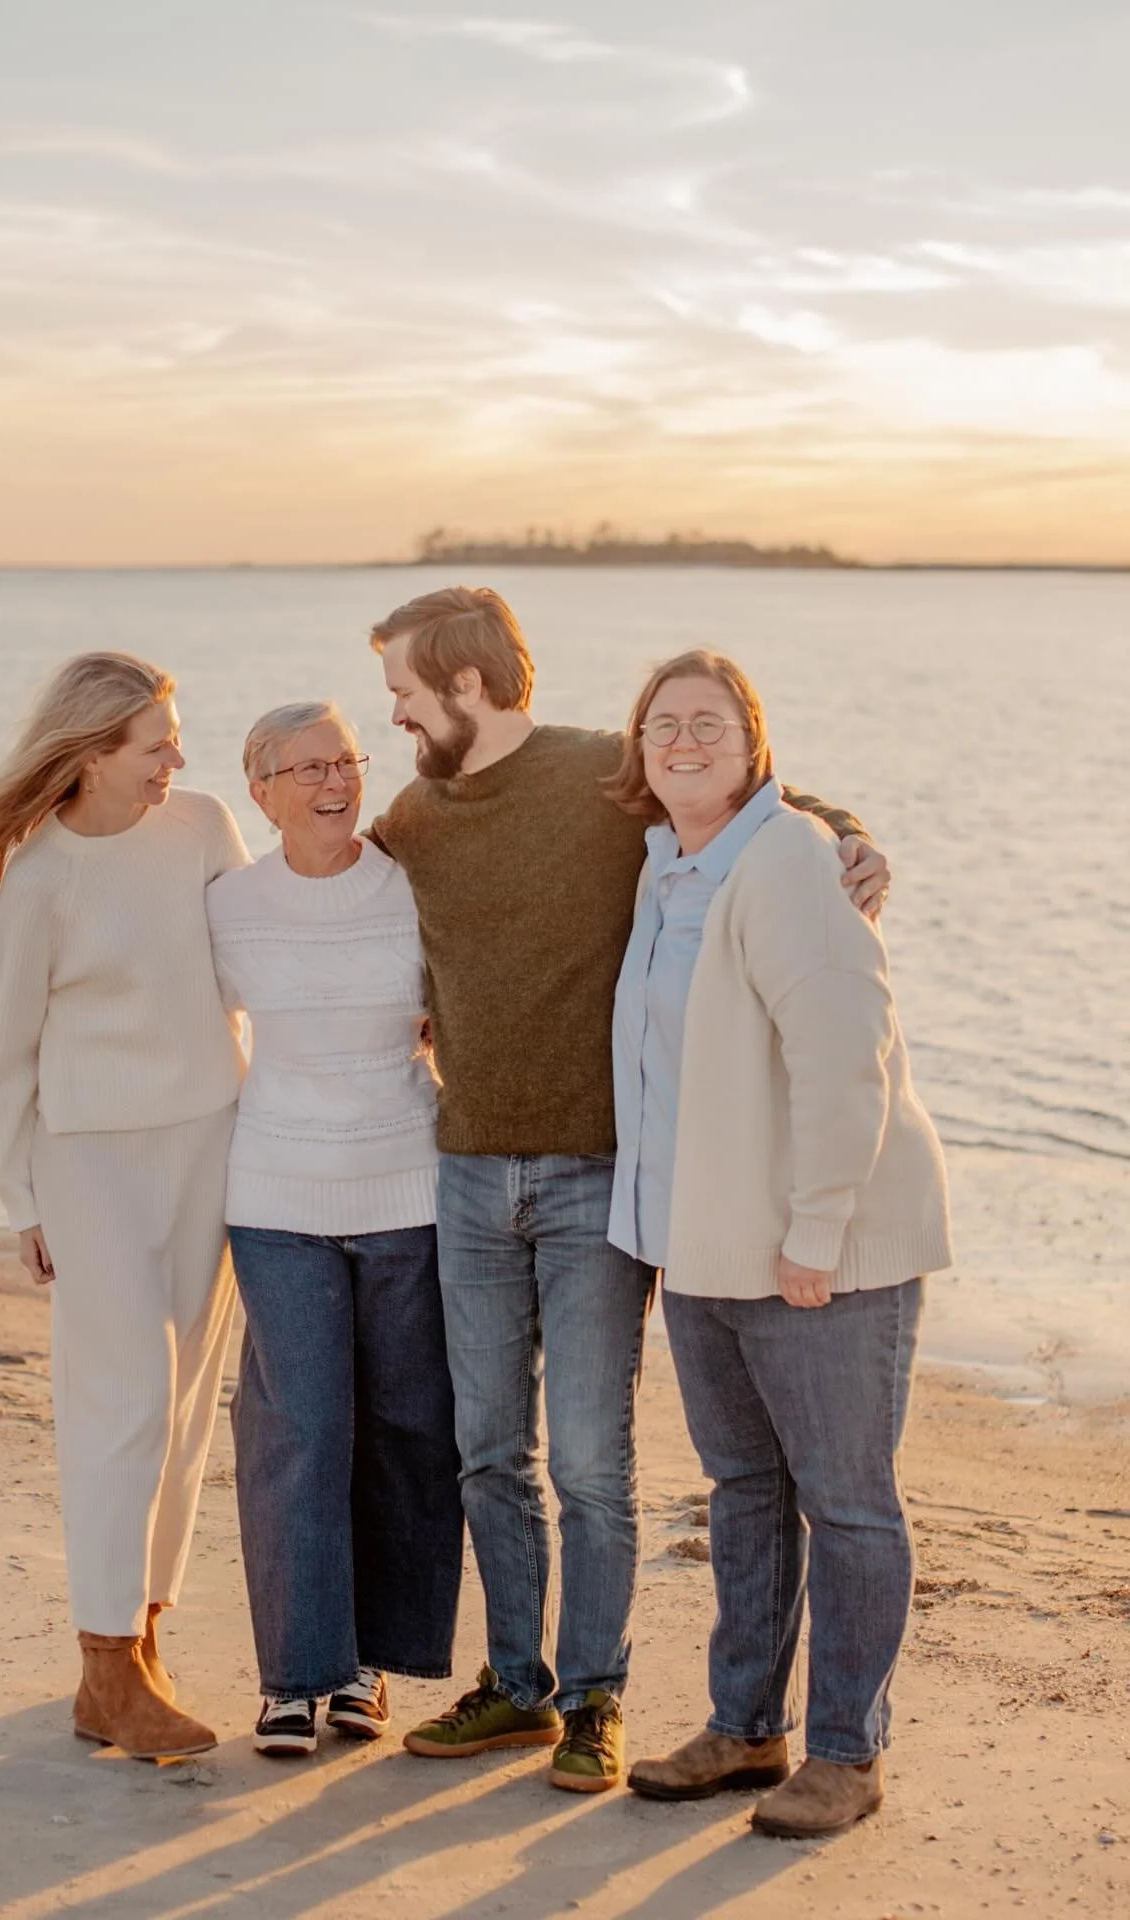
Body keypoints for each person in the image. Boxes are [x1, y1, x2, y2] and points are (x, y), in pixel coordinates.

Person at [365, 586, 891, 1793]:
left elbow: (770, 805)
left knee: (591, 1461)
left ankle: (597, 1696)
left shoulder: (611, 775)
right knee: (488, 1449)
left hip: (605, 1179)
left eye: (405, 692)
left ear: (466, 686)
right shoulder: (418, 813)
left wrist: (859, 836)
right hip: (465, 1169)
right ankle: (514, 1687)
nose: (395, 716)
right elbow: (327, 878)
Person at [606, 650, 951, 1839]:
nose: (683, 741)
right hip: (703, 1246)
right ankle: (747, 1727)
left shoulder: (790, 861)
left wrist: (814, 1229)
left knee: (847, 1503)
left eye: (709, 723)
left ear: (757, 744)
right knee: (745, 1492)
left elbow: (846, 1060)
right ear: (639, 751)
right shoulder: (665, 867)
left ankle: (848, 1754)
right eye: (663, 725)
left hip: (822, 1255)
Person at [0, 651, 249, 1759]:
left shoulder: (205, 826)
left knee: (189, 1400)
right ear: (93, 754)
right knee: (125, 1399)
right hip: (89, 1162)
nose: (177, 758)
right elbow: (8, 1051)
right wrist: (19, 1194)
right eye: (156, 742)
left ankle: (144, 1639)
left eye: (173, 737)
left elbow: (252, 965)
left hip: (210, 1139)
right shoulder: (40, 876)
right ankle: (103, 1663)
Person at [207, 702, 462, 1758]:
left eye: (346, 758)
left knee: (407, 1428)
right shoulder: (228, 904)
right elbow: (170, 1021)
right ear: (259, 790)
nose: (333, 780)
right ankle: (293, 1677)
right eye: (303, 766)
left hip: (408, 1185)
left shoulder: (414, 885)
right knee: (300, 1431)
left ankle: (368, 1664)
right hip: (276, 1196)